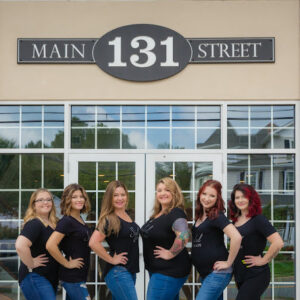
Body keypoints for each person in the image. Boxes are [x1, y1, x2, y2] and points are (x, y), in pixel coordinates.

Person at [229, 183, 284, 300]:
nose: (240, 200)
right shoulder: (235, 221)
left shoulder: (258, 219)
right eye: (237, 197)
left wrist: (264, 260)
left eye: (244, 196)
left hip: (256, 274)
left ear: (251, 198)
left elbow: (278, 242)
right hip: (241, 273)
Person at [141, 177, 191, 300]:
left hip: (169, 271)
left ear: (174, 193)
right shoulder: (156, 215)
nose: (162, 193)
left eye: (167, 190)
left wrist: (170, 253)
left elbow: (184, 235)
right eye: (159, 190)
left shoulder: (175, 212)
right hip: (158, 270)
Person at [191, 180, 242, 300]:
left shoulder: (217, 215)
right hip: (205, 273)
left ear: (217, 198)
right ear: (199, 194)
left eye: (212, 196)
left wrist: (229, 262)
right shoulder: (200, 216)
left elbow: (236, 237)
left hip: (218, 273)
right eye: (204, 194)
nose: (207, 198)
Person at [89, 180, 139, 300]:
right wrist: (111, 259)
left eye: (122, 194)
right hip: (118, 273)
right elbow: (93, 242)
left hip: (130, 271)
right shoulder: (109, 219)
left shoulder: (127, 216)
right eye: (115, 195)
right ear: (109, 198)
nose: (120, 198)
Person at [46, 183, 92, 300]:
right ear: (67, 200)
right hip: (72, 277)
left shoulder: (80, 220)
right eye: (74, 197)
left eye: (81, 196)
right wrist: (67, 263)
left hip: (80, 275)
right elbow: (50, 245)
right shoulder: (66, 221)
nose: (79, 199)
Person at [15, 188, 59, 300]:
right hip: (35, 277)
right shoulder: (35, 223)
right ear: (34, 205)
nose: (45, 202)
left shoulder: (53, 224)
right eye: (40, 200)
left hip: (49, 277)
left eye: (48, 199)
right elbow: (20, 245)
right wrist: (31, 263)